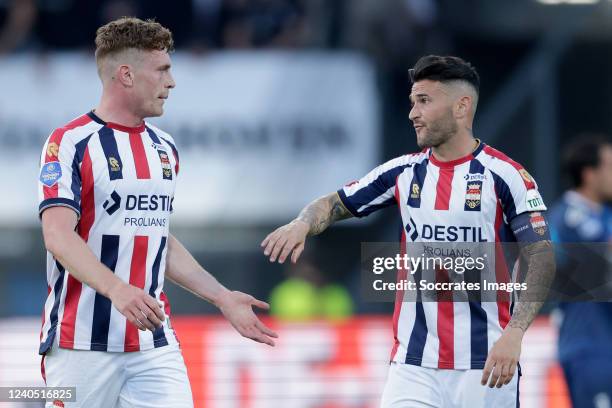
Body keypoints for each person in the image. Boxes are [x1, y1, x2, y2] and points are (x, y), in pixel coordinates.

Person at [261, 55, 555, 407]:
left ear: (462, 107)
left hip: (487, 363)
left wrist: (515, 334)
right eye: (412, 102)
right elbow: (332, 203)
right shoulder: (402, 173)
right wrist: (302, 223)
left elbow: (541, 258)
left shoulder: (506, 176)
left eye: (424, 101)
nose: (413, 113)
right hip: (413, 367)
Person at [37, 17, 277, 408]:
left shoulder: (164, 149)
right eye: (163, 69)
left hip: (152, 341)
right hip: (80, 342)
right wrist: (118, 289)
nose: (172, 82)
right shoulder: (69, 143)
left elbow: (154, 237)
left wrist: (221, 297)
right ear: (127, 75)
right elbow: (58, 236)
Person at [548, 137, 612, 408]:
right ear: (589, 174)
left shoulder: (604, 216)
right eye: (610, 166)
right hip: (589, 348)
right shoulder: (564, 221)